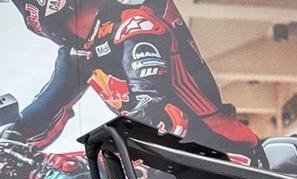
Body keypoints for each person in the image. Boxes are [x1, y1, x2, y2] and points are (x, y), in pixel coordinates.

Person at [5, 0, 261, 164]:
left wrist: (87, 162)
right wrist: (10, 140)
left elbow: (157, 111)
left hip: (226, 155)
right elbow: (48, 106)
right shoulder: (79, 50)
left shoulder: (133, 25)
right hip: (175, 162)